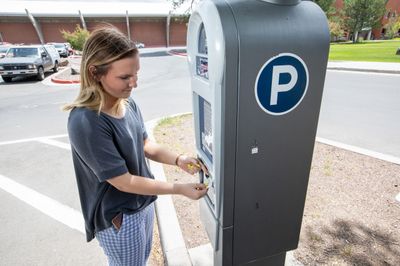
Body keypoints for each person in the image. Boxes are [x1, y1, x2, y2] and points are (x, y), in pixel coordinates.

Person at [63, 26, 208, 266]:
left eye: (136, 74)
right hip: (119, 217)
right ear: (95, 72)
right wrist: (179, 189)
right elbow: (123, 181)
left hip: (143, 203)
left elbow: (146, 144)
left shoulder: (126, 103)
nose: (134, 84)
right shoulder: (86, 121)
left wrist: (178, 159)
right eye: (124, 77)